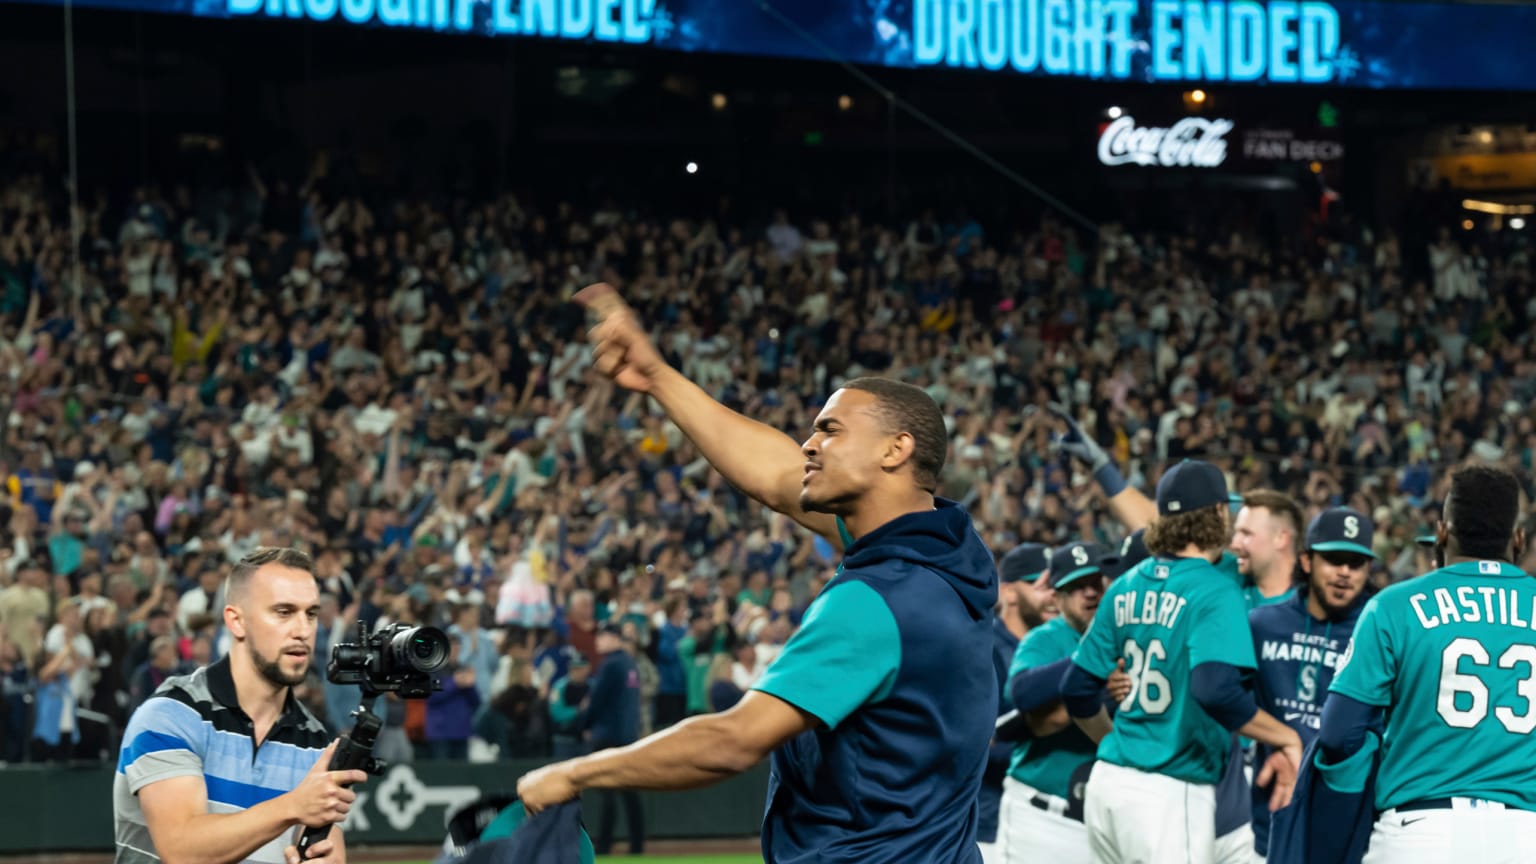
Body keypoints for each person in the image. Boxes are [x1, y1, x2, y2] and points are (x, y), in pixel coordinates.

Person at [517, 283, 997, 863]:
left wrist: (574, 773)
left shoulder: (876, 601)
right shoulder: (951, 554)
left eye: (830, 430)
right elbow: (776, 478)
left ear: (895, 450)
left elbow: (730, 742)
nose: (809, 444)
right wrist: (657, 376)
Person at [1061, 460, 1303, 864]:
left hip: (1108, 785)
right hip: (1171, 790)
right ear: (1219, 513)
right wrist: (1285, 737)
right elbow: (1216, 690)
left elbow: (1076, 688)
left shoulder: (1126, 583)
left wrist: (1114, 743)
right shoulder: (1215, 588)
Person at [1319, 465, 1536, 863]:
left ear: (1440, 533)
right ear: (1518, 538)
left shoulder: (1392, 604)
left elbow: (1337, 733)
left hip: (1418, 831)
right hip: (1525, 835)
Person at [113, 547, 363, 864]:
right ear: (236, 621)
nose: (303, 630)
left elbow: (327, 850)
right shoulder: (170, 714)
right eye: (284, 612)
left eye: (310, 614)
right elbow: (181, 849)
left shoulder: (315, 741)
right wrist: (294, 805)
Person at [1246, 507, 1376, 861]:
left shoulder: (1378, 633)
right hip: (1269, 814)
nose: (1345, 573)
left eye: (1356, 562)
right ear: (1306, 561)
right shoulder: (1261, 625)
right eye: (1334, 559)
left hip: (1347, 824)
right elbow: (1225, 697)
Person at [998, 542, 1110, 864]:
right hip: (1041, 819)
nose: (1089, 593)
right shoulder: (1044, 639)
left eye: (1095, 583)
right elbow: (1024, 692)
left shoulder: (1124, 635)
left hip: (1102, 822)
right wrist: (1092, 660)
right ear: (1057, 597)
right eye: (1076, 587)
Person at [980, 542, 1051, 864]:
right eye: (1040, 584)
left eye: (1057, 583)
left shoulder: (1063, 644)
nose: (1052, 593)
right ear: (1008, 593)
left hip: (1054, 823)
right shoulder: (984, 651)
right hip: (990, 824)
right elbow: (983, 745)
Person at [584, 623, 644, 856]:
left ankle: (605, 846)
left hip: (608, 736)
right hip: (628, 736)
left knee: (608, 792)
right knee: (630, 794)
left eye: (603, 636)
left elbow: (596, 702)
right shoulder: (630, 663)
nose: (598, 640)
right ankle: (637, 845)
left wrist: (585, 725)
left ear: (615, 638)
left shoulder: (610, 665)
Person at [1230, 490, 1305, 607]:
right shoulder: (1230, 594)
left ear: (1281, 538)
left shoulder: (1310, 605)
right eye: (1236, 533)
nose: (1234, 544)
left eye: (1246, 533)